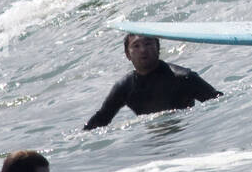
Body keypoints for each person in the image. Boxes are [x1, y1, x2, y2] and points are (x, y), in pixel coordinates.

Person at [84, 34, 222, 129]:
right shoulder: (125, 87)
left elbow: (218, 103)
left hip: (185, 133)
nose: (143, 50)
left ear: (158, 48)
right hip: (153, 147)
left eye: (148, 43)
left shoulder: (183, 77)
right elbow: (101, 120)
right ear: (127, 54)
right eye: (136, 46)